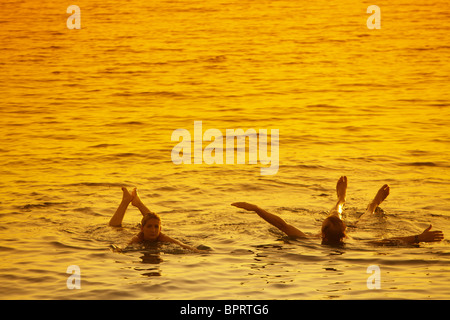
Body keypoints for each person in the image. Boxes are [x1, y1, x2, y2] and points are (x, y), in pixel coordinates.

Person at [232, 176, 444, 246]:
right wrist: (419, 237)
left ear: (322, 232)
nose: (329, 219)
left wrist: (256, 208)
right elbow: (391, 241)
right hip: (349, 232)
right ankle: (373, 202)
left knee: (341, 211)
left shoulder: (308, 239)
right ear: (344, 232)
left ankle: (341, 199)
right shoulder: (353, 242)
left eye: (327, 220)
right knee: (365, 216)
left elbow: (281, 224)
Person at [109, 187, 205, 252]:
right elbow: (125, 244)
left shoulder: (162, 236)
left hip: (146, 225)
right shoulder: (139, 237)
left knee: (152, 219)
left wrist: (198, 251)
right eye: (149, 227)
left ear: (160, 229)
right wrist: (118, 249)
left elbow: (182, 245)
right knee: (114, 227)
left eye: (156, 227)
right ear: (142, 229)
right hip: (133, 233)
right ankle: (126, 201)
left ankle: (138, 203)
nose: (153, 230)